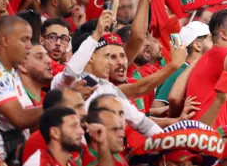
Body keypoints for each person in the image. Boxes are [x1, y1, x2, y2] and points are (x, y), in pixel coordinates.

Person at [51, 10, 166, 138]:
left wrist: (169, 140)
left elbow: (141, 122)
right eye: (107, 56)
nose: (111, 63)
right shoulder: (64, 81)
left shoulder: (107, 88)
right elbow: (71, 72)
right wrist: (95, 36)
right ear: (90, 56)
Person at [0, 15, 42, 163]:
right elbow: (20, 119)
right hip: (1, 164)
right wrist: (61, 102)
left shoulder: (10, 70)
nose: (29, 46)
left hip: (15, 153)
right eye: (24, 39)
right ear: (5, 41)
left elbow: (30, 118)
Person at [154, 21, 212, 108]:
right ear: (198, 45)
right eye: (211, 39)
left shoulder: (196, 70)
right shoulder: (179, 71)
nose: (216, 43)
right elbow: (157, 106)